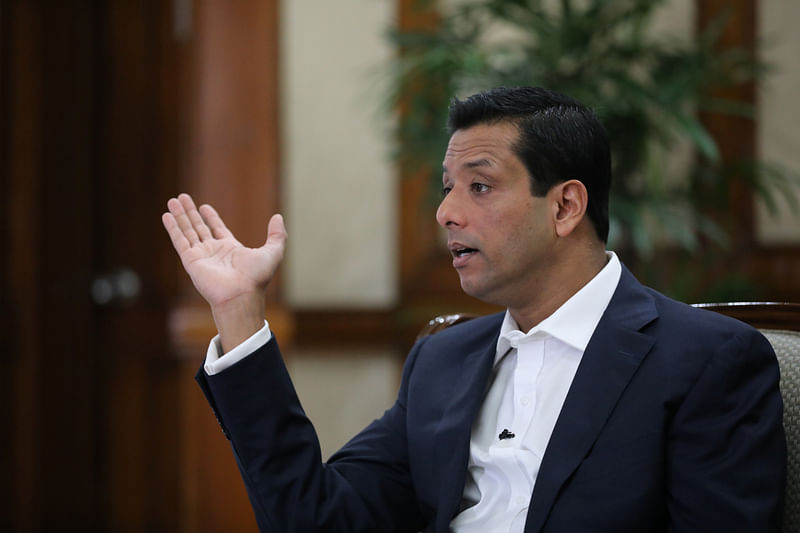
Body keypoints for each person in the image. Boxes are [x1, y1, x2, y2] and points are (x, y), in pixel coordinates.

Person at [162, 87, 786, 532]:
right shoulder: (444, 359)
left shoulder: (705, 359)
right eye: (447, 188)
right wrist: (240, 310)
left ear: (566, 206)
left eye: (479, 186)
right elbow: (318, 518)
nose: (446, 213)